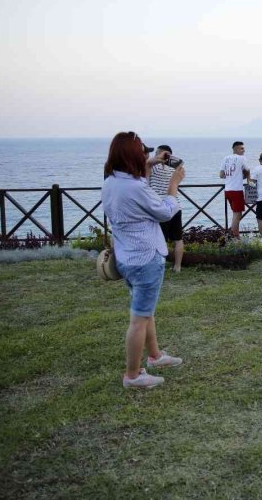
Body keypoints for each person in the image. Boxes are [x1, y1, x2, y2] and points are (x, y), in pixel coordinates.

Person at [102, 131, 185, 389]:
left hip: (126, 256)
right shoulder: (136, 188)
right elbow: (164, 212)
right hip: (146, 257)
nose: (146, 155)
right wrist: (174, 184)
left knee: (145, 312)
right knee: (139, 319)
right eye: (143, 152)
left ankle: (155, 356)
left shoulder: (110, 181)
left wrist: (152, 163)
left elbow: (138, 187)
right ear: (131, 156)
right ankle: (133, 375)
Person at [150, 144, 184, 272]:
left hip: (160, 207)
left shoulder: (153, 168)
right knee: (178, 239)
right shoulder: (175, 170)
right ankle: (177, 266)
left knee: (160, 239)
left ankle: (160, 266)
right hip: (176, 206)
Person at [219, 141, 250, 237]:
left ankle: (236, 236)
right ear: (236, 149)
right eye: (242, 148)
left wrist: (232, 176)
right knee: (237, 215)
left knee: (236, 214)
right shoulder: (241, 158)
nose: (244, 150)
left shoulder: (225, 158)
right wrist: (248, 180)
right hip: (237, 190)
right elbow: (248, 170)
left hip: (227, 190)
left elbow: (221, 175)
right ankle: (232, 237)